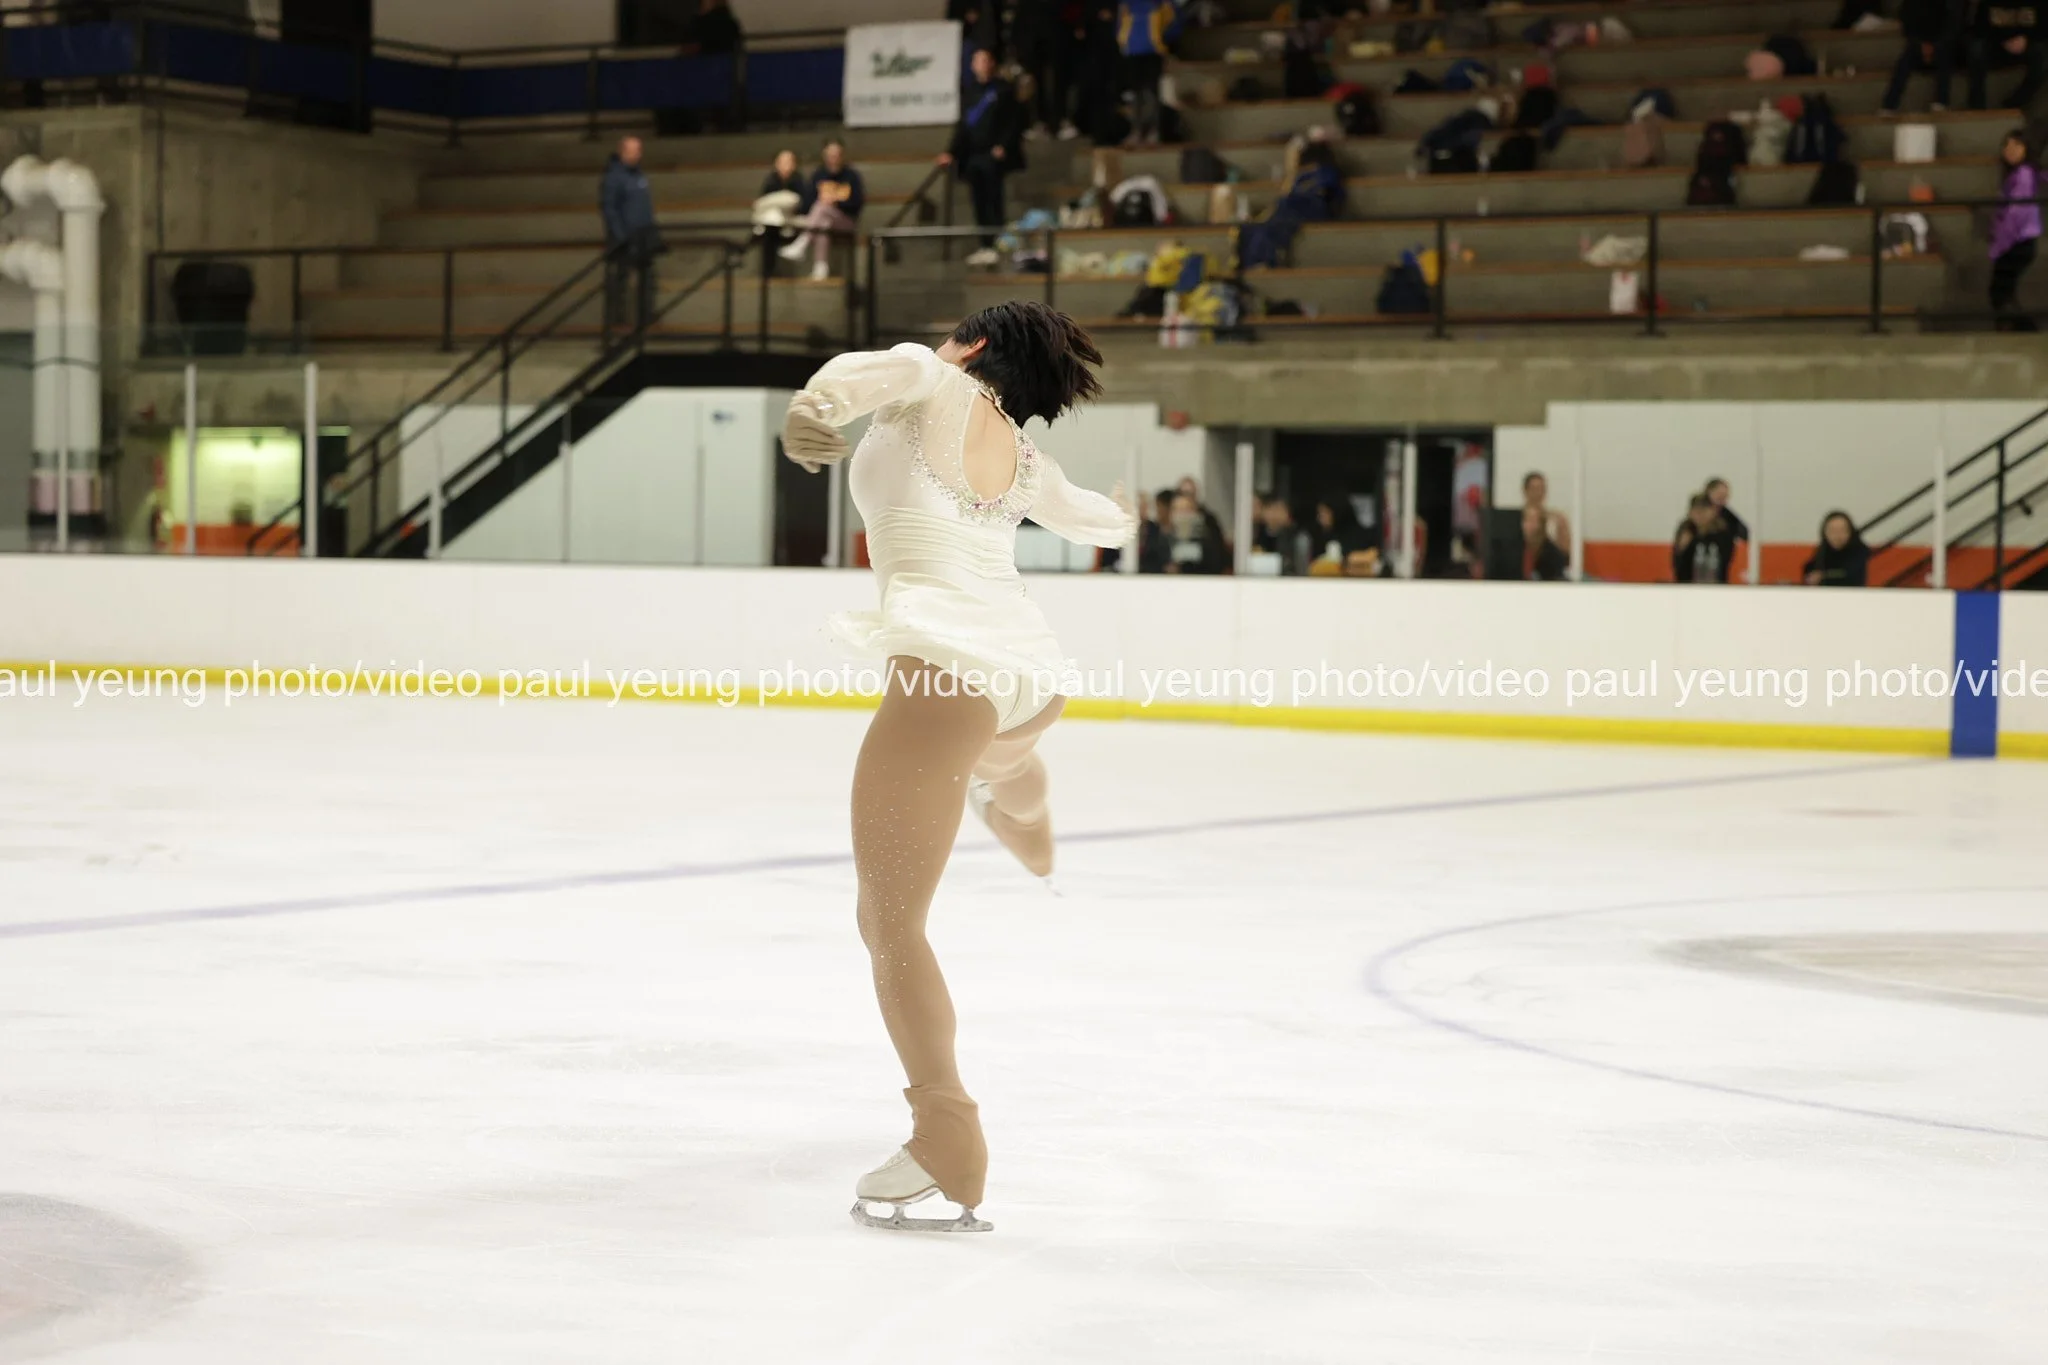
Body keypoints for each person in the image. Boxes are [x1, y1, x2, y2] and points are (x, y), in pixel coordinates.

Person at [778, 302, 1132, 1232]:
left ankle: (946, 1134)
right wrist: (1124, 510)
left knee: (888, 921)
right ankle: (1021, 809)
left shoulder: (930, 376)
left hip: (949, 677)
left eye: (949, 339)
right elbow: (1097, 523)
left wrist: (815, 408)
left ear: (971, 346)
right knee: (999, 759)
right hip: (1029, 679)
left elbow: (863, 373)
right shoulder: (1024, 457)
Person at [942, 48, 1027, 265]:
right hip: (973, 156)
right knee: (978, 200)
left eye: (985, 60)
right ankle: (985, 243)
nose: (982, 64)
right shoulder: (970, 93)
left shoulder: (1003, 90)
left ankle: (997, 240)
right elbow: (963, 126)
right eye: (978, 60)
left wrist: (1003, 145)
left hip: (993, 155)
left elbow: (1013, 121)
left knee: (994, 198)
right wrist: (951, 152)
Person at [780, 138, 865, 282]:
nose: (833, 158)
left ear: (842, 155)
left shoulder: (852, 176)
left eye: (836, 155)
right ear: (825, 156)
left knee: (822, 207)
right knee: (823, 222)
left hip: (846, 221)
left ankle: (802, 242)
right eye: (830, 155)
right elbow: (807, 204)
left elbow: (857, 203)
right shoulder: (818, 175)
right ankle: (821, 267)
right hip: (823, 221)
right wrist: (822, 199)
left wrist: (836, 202)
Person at [600, 135, 659, 334]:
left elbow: (644, 207)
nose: (636, 154)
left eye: (638, 150)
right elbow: (610, 209)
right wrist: (620, 236)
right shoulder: (613, 177)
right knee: (621, 279)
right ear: (622, 152)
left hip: (644, 236)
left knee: (648, 278)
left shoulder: (639, 175)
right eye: (632, 150)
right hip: (624, 238)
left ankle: (646, 316)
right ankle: (617, 319)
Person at [1990, 128, 2041, 329]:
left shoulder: (2024, 174)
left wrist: (2000, 245)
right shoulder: (2015, 175)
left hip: (2017, 241)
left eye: (2017, 145)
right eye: (2007, 145)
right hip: (2015, 241)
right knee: (2003, 292)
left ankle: (2024, 330)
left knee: (2000, 292)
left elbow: (2016, 214)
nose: (2010, 149)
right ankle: (2020, 330)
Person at [1117, 0, 1179, 146]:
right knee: (1135, 93)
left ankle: (1154, 131)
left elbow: (1173, 22)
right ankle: (1136, 130)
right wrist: (1123, 41)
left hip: (1153, 52)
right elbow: (1120, 22)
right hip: (1132, 52)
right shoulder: (1127, 3)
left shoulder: (1160, 3)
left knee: (1152, 92)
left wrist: (1163, 43)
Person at [1882, 0, 1961, 112]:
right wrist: (1921, 45)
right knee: (1904, 62)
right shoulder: (1912, 4)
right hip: (1917, 45)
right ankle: (1889, 105)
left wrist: (1934, 45)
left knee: (1945, 56)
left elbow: (1953, 26)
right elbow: (1907, 26)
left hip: (1942, 45)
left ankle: (1941, 101)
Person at [1969, 0, 2048, 109]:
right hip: (1996, 46)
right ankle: (1976, 105)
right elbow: (1979, 29)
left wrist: (2027, 39)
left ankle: (2014, 103)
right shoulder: (1988, 3)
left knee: (2043, 56)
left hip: (2025, 45)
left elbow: (2043, 28)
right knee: (1976, 48)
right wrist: (2002, 40)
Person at [1672, 493, 1737, 583]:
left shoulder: (1722, 532)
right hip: (1688, 585)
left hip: (1716, 585)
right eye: (1696, 510)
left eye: (1704, 509)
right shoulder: (1686, 531)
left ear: (1713, 511)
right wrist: (1682, 549)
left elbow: (1724, 562)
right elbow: (1678, 567)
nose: (1700, 514)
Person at [1160, 490, 1226, 572]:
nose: (1182, 515)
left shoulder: (1208, 541)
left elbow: (1215, 565)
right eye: (1177, 509)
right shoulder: (1162, 539)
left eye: (1185, 509)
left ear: (1195, 512)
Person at [1804, 511, 1871, 586]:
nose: (1838, 536)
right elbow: (1810, 569)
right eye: (1833, 531)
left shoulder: (1859, 551)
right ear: (1824, 533)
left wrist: (1822, 576)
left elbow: (1849, 574)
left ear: (1850, 532)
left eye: (1843, 530)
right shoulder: (1823, 550)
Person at [1253, 493, 1312, 574]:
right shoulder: (1256, 532)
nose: (1274, 515)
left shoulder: (1298, 537)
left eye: (1279, 510)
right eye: (1271, 509)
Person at [1518, 504, 1570, 581]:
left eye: (1533, 520)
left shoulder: (1552, 554)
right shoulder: (1514, 549)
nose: (1529, 525)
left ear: (1541, 525)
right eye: (1526, 520)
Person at [1522, 471, 1571, 550]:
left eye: (1541, 489)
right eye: (1534, 489)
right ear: (1525, 491)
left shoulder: (1557, 520)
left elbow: (1565, 550)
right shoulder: (1516, 519)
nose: (1538, 493)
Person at [1704, 477, 1750, 543]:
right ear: (1708, 492)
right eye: (1719, 495)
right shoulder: (1698, 512)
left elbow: (1743, 531)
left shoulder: (1727, 515)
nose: (1722, 500)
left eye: (1725, 496)